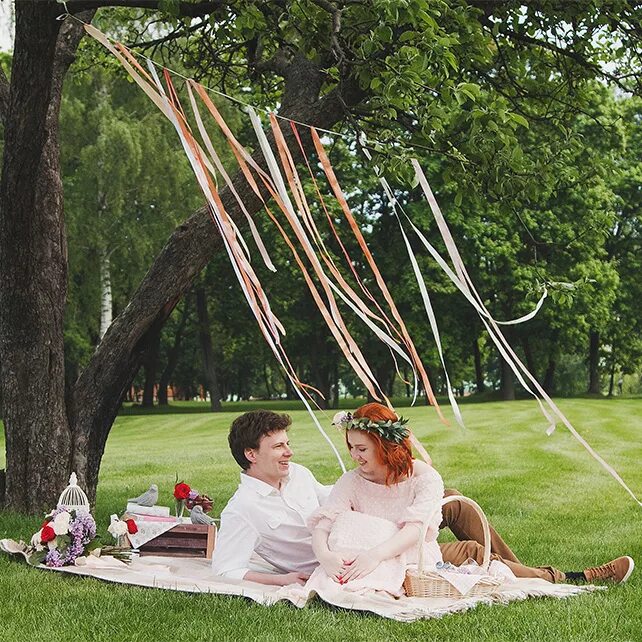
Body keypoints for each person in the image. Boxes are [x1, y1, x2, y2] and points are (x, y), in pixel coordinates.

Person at [211, 407, 634, 587]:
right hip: (352, 560)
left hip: (376, 536)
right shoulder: (243, 509)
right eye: (279, 446)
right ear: (252, 455)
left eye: (288, 443)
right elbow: (227, 570)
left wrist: (404, 473)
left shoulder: (298, 475)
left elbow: (341, 501)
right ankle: (566, 579)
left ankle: (520, 571)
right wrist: (283, 578)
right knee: (468, 548)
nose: (290, 451)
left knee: (448, 497)